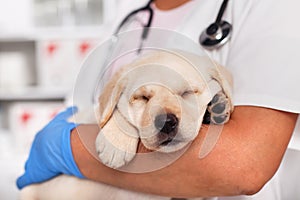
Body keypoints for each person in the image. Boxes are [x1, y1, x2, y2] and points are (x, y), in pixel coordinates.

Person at [16, 0, 300, 199]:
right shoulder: (128, 11)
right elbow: (91, 107)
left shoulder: (272, 5)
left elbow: (243, 165)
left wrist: (70, 149)